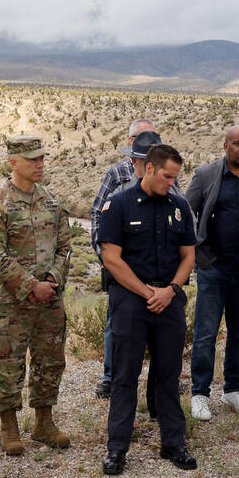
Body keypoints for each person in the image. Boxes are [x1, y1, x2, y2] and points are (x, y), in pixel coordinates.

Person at [98, 143, 197, 476]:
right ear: (150, 168)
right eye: (167, 176)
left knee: (168, 375)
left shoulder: (179, 206)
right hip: (130, 299)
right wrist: (146, 292)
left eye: (175, 177)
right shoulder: (120, 205)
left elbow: (188, 257)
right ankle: (117, 449)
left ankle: (173, 442)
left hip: (168, 300)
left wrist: (170, 291)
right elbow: (112, 259)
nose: (171, 182)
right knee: (125, 376)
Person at [0, 136, 73, 456]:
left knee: (50, 361)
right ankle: (9, 426)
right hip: (10, 301)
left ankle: (44, 422)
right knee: (7, 363)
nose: (39, 164)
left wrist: (51, 280)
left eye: (42, 158)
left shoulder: (53, 202)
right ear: (13, 162)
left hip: (49, 299)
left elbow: (64, 248)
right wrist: (30, 285)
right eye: (32, 159)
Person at [184, 125, 239, 421]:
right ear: (225, 146)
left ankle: (233, 389)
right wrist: (199, 255)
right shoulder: (206, 175)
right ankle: (200, 394)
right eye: (237, 143)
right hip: (214, 269)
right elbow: (185, 215)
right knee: (206, 333)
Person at [90, 118, 161, 399]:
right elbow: (98, 213)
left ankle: (160, 380)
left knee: (161, 325)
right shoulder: (117, 174)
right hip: (122, 266)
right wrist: (104, 256)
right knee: (115, 324)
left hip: (157, 268)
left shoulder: (169, 176)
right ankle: (111, 377)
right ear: (131, 142)